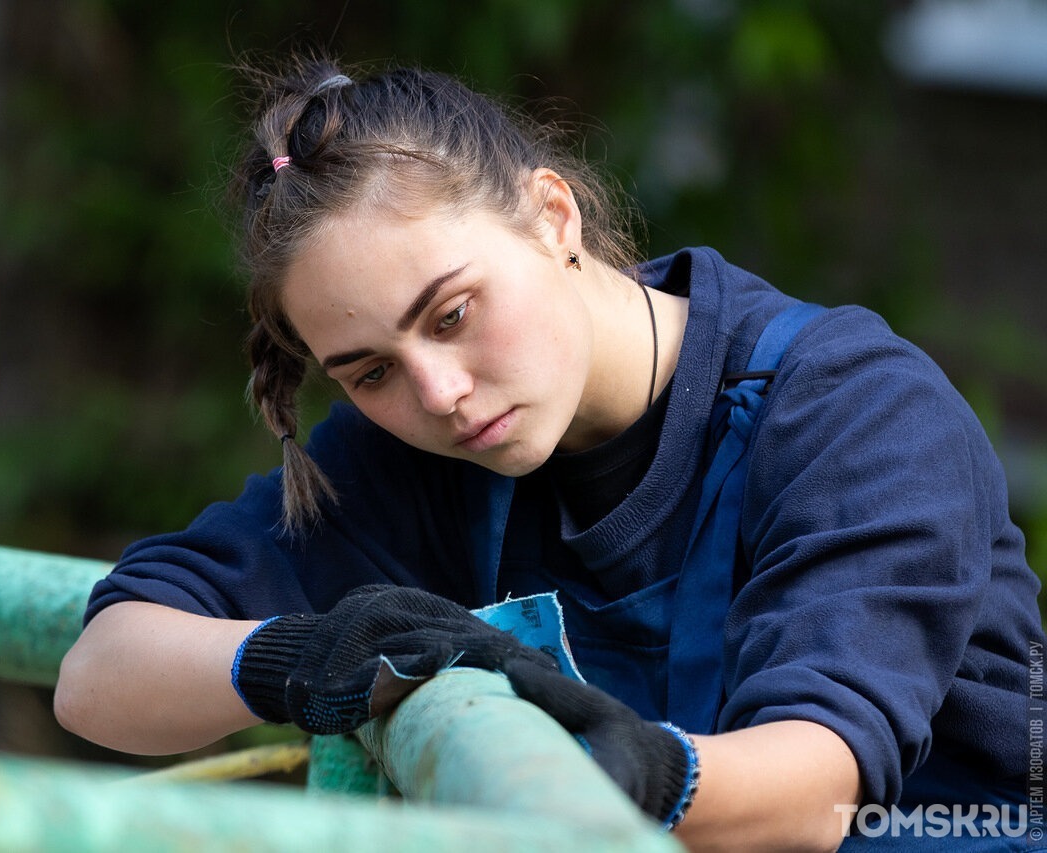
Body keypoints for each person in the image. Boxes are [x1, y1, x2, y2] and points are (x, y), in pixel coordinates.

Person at [53, 56, 1042, 851]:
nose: (436, 391)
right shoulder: (417, 450)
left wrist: (586, 774)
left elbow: (807, 799)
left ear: (551, 216)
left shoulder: (855, 409)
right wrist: (296, 658)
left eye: (451, 313)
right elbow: (99, 675)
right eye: (366, 372)